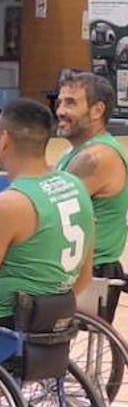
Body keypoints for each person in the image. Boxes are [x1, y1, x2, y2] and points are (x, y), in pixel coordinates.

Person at [0, 98, 94, 325]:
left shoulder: (8, 206)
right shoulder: (75, 185)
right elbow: (84, 277)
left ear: (4, 139)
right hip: (50, 320)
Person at [54, 71, 128, 318]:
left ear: (97, 110)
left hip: (85, 273)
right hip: (72, 267)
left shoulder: (96, 157)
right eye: (60, 102)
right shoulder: (77, 153)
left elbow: (51, 212)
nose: (60, 110)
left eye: (71, 103)